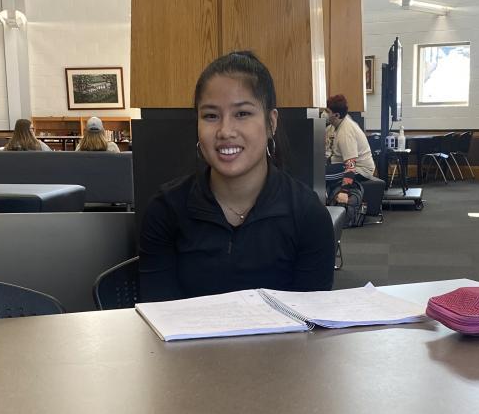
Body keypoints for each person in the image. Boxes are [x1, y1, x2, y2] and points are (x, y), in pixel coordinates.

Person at [138, 50, 336, 301]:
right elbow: (159, 313)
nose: (225, 131)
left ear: (271, 123)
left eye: (242, 114)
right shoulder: (166, 210)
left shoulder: (308, 214)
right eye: (211, 116)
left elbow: (310, 317)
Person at [324, 94, 375, 206]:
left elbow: (351, 165)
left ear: (336, 115)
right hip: (342, 165)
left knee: (318, 176)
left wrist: (344, 191)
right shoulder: (335, 126)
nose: (324, 114)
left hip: (360, 169)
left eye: (327, 111)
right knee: (318, 171)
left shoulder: (346, 132)